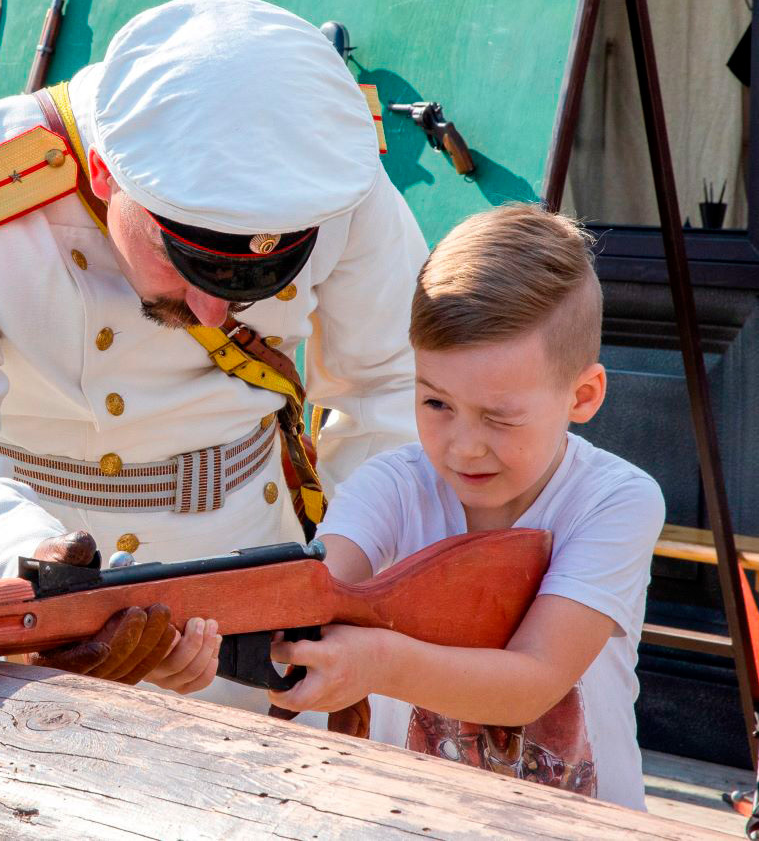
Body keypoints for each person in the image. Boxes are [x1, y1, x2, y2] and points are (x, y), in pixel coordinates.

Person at [0, 0, 428, 705]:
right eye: (189, 263)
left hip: (258, 591)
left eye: (252, 284)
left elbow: (391, 390)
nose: (213, 309)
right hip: (20, 603)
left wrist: (340, 579)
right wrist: (35, 584)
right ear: (102, 174)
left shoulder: (335, 175)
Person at [273, 204, 665, 808]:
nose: (463, 445)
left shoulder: (616, 501)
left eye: (499, 417)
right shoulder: (391, 487)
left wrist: (374, 661)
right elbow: (312, 600)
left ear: (582, 396)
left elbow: (530, 683)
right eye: (435, 404)